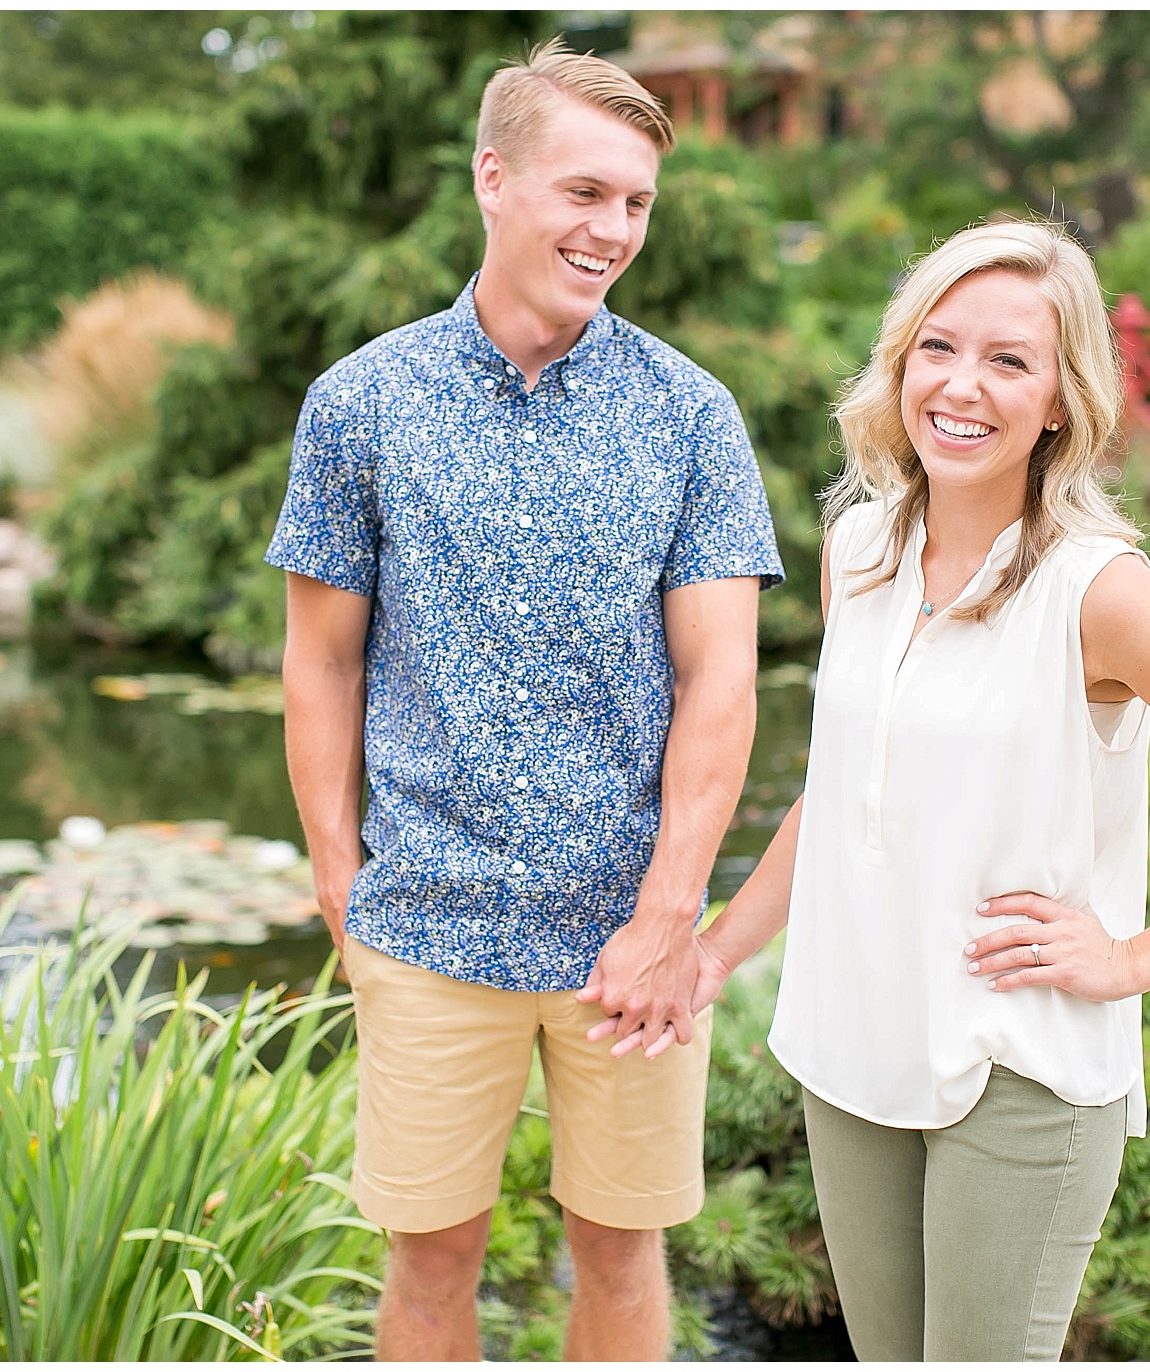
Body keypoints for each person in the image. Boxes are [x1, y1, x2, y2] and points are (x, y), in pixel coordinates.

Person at [664, 221, 1150, 1362]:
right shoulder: (858, 549)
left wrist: (1131, 960)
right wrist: (713, 951)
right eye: (936, 347)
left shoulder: (1101, 592)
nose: (960, 385)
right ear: (899, 367)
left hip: (1018, 1071)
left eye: (1008, 360)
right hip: (849, 1053)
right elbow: (844, 792)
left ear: (1056, 399)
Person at [268, 38, 783, 1363]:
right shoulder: (362, 402)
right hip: (429, 922)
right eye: (584, 193)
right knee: (431, 1266)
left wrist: (673, 914)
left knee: (619, 1256)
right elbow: (319, 660)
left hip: (632, 946)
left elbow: (721, 676)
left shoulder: (691, 415)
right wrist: (339, 877)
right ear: (495, 181)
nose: (612, 229)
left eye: (636, 204)